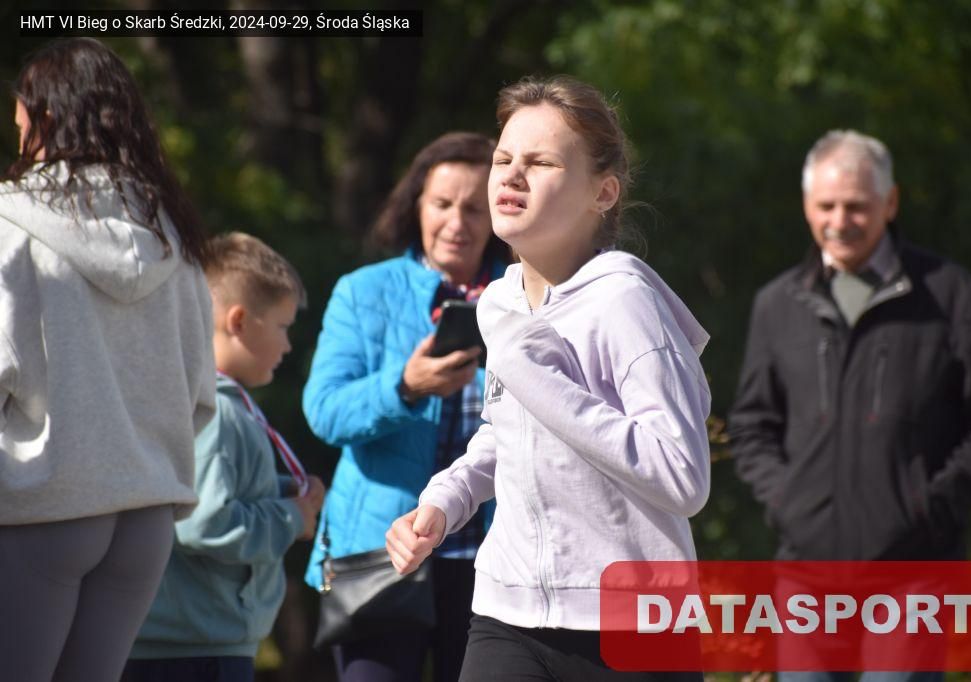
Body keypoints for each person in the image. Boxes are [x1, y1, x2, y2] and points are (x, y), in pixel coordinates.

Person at [384, 76, 711, 681]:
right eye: (503, 159)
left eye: (541, 163)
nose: (511, 175)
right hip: (505, 611)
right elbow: (506, 430)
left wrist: (543, 379)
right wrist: (444, 501)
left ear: (602, 193)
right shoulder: (499, 301)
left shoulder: (625, 300)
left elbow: (682, 477)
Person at [728, 130, 971, 681]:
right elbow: (751, 424)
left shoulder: (951, 296)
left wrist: (931, 505)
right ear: (807, 205)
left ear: (890, 203)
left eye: (857, 206)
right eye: (826, 206)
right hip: (805, 579)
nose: (840, 221)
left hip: (914, 575)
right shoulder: (777, 304)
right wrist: (789, 501)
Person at [0, 38, 216, 682]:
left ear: (43, 117)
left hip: (40, 504)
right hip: (144, 518)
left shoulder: (9, 226)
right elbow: (200, 392)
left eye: (19, 121)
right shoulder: (174, 236)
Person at [303, 131, 509, 682]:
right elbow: (324, 410)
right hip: (382, 552)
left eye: (474, 208)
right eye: (442, 204)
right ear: (416, 206)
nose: (457, 222)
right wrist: (404, 387)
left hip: (494, 559)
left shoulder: (525, 296)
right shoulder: (362, 291)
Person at [122, 232, 325, 682]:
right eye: (282, 326)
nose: (288, 345)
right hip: (195, 647)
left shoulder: (197, 402)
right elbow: (203, 521)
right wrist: (291, 517)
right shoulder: (218, 414)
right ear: (239, 321)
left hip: (185, 639)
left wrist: (283, 493)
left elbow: (211, 491)